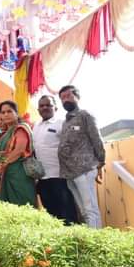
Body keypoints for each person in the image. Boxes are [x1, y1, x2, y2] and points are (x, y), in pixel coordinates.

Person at [57, 85, 106, 228]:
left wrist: (101, 162)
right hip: (69, 173)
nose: (65, 100)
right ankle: (91, 237)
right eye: (62, 98)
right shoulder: (66, 122)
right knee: (84, 211)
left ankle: (96, 239)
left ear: (77, 97)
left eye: (68, 96)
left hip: (84, 169)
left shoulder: (85, 115)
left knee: (90, 209)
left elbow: (96, 139)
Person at [33, 95, 79, 224]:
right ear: (38, 109)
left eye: (48, 105)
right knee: (51, 214)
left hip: (60, 176)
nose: (45, 108)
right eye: (42, 106)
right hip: (42, 178)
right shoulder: (36, 126)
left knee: (67, 213)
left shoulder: (62, 123)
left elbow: (76, 139)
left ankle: (72, 235)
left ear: (56, 108)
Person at [0, 101, 37, 206]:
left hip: (19, 172)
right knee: (7, 206)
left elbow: (19, 150)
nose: (6, 115)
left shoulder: (21, 129)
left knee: (22, 205)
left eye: (9, 111)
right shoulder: (4, 134)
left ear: (16, 113)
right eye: (3, 112)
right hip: (6, 173)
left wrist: (2, 163)